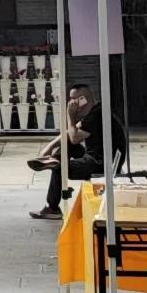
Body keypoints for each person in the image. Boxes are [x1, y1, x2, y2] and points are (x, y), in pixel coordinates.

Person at [28, 83, 101, 219]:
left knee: (60, 167)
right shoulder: (95, 111)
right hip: (95, 156)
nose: (70, 103)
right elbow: (69, 133)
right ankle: (52, 159)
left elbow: (74, 138)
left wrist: (70, 116)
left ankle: (52, 208)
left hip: (98, 163)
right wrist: (49, 147)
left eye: (73, 99)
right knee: (65, 149)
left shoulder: (95, 116)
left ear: (83, 99)